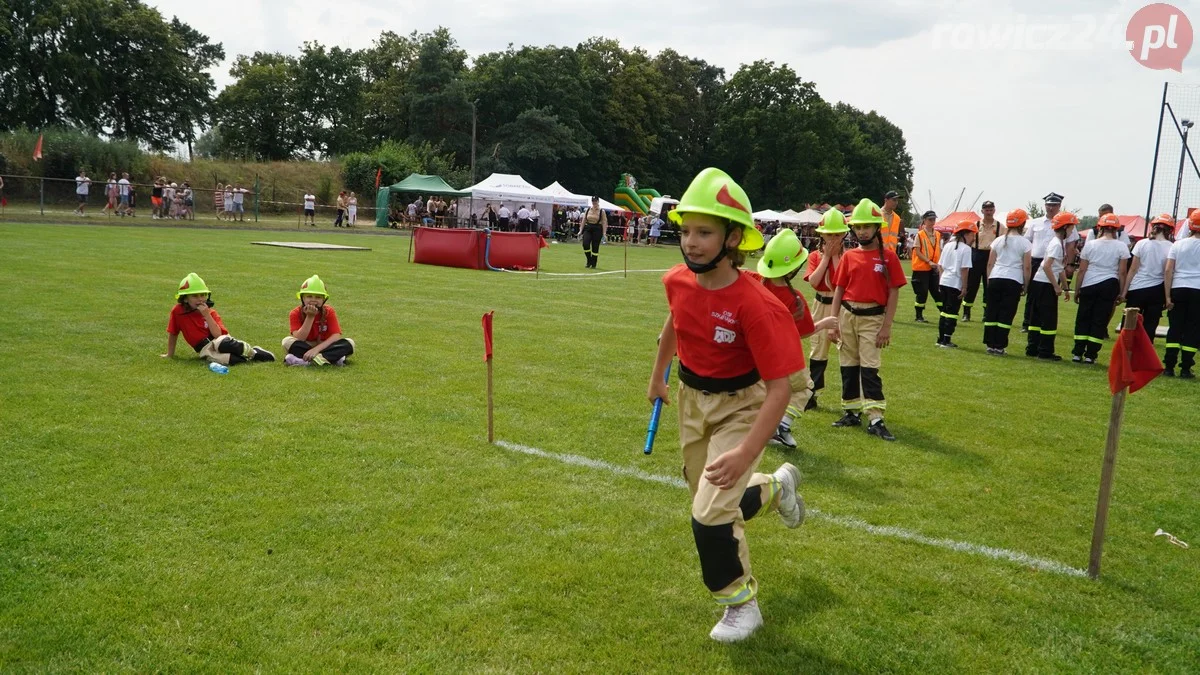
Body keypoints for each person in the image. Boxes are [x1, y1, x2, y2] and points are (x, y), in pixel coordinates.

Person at [647, 167, 806, 643]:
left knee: (710, 513)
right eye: (686, 231)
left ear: (733, 238)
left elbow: (780, 390)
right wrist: (658, 375)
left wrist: (743, 452)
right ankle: (776, 488)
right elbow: (675, 321)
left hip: (743, 406)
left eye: (705, 232)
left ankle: (741, 604)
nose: (691, 243)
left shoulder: (757, 305)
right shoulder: (677, 280)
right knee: (708, 497)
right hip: (692, 401)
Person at [753, 229, 839, 449]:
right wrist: (826, 323)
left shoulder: (754, 282)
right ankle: (780, 426)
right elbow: (804, 332)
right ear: (793, 268)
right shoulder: (795, 300)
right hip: (782, 357)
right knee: (803, 388)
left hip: (754, 353)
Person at [828, 199, 906, 441]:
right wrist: (833, 321)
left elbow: (894, 291)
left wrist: (887, 326)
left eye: (867, 227)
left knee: (870, 367)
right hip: (847, 315)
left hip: (873, 318)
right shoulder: (850, 257)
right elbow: (839, 289)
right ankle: (851, 411)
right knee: (848, 365)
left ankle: (875, 417)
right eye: (858, 227)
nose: (861, 231)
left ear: (876, 228)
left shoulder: (889, 258)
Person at [163, 273, 275, 365]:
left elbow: (218, 335)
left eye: (202, 295)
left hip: (220, 341)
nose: (200, 299)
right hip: (204, 349)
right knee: (233, 361)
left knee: (223, 344)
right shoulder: (177, 311)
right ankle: (247, 357)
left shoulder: (211, 313)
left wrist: (207, 315)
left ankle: (253, 352)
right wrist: (170, 354)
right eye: (195, 296)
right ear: (185, 299)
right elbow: (173, 333)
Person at [1071, 214, 1131, 364]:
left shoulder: (1090, 245)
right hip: (1109, 284)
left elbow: (1082, 270)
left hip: (1089, 283)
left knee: (1083, 318)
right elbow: (1122, 272)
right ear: (1116, 230)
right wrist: (1122, 292)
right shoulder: (1121, 246)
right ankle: (1091, 355)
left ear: (1100, 228)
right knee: (1099, 320)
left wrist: (1078, 289)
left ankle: (1077, 353)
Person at [804, 209, 847, 409]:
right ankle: (811, 394)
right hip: (821, 304)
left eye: (837, 234)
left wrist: (836, 256)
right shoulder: (814, 256)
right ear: (821, 234)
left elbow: (842, 281)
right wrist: (826, 258)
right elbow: (813, 281)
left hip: (843, 306)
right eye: (829, 234)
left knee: (848, 350)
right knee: (818, 350)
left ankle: (851, 400)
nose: (833, 238)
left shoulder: (849, 256)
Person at [1023, 192, 1079, 330]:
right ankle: (1027, 322)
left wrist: (1070, 264)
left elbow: (1071, 245)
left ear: (1059, 206)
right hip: (1036, 260)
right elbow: (1027, 242)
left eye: (1054, 205)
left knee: (1048, 295)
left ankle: (1041, 322)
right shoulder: (1035, 222)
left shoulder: (1067, 224)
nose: (1050, 208)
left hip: (1054, 262)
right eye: (1048, 205)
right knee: (1032, 294)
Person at [1026, 212, 1077, 361]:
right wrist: (1056, 286)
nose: (1072, 231)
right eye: (1072, 227)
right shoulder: (1056, 244)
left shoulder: (1058, 243)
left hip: (1040, 283)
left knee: (1036, 318)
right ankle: (1045, 351)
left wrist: (1066, 287)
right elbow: (1048, 267)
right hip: (1045, 284)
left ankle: (1032, 348)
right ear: (1065, 227)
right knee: (1048, 319)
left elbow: (1059, 268)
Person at [983, 209, 1033, 355]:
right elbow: (1027, 266)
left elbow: (990, 264)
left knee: (992, 311)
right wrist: (1026, 284)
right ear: (1022, 223)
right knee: (1006, 313)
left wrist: (989, 280)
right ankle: (999, 345)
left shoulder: (998, 240)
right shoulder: (1025, 243)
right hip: (1013, 279)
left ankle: (990, 344)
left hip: (995, 277)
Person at [1121, 213, 1175, 344]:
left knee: (1129, 324)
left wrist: (1124, 292)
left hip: (1137, 288)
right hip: (1157, 291)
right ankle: (1144, 354)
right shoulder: (1171, 247)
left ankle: (1125, 352)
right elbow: (1169, 273)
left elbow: (1133, 269)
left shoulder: (1142, 243)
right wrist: (1168, 297)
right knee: (1150, 326)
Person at [283, 275, 356, 367]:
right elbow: (300, 339)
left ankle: (307, 361)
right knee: (287, 341)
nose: (313, 300)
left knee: (350, 343)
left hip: (324, 345)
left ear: (323, 299)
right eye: (309, 296)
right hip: (305, 346)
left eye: (318, 297)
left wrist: (316, 350)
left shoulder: (329, 311)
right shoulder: (295, 313)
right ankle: (331, 358)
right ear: (302, 298)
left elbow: (336, 336)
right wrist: (310, 317)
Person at [1162, 210, 1200, 378]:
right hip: (1198, 290)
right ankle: (1185, 367)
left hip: (1178, 288)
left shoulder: (1178, 244)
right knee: (1193, 328)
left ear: (1190, 225)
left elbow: (1169, 270)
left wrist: (1167, 296)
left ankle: (1169, 366)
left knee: (1175, 327)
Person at [936, 220, 976, 348]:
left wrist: (942, 279)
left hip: (944, 281)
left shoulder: (948, 245)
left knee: (944, 311)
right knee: (952, 312)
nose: (973, 238)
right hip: (955, 283)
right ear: (965, 234)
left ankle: (940, 338)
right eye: (972, 234)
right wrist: (964, 287)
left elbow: (940, 265)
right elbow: (964, 269)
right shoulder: (966, 249)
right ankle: (946, 340)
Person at [963, 200, 1000, 321]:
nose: (988, 212)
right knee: (971, 285)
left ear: (994, 210)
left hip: (991, 255)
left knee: (989, 285)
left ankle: (987, 313)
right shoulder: (975, 225)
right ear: (982, 211)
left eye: (991, 209)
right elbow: (967, 240)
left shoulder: (1000, 226)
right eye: (986, 210)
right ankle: (966, 312)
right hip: (976, 254)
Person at [910, 210, 942, 323]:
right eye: (930, 219)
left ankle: (944, 313)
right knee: (922, 292)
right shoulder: (920, 234)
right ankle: (919, 315)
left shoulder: (937, 234)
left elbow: (939, 249)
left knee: (937, 291)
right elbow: (917, 252)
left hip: (934, 268)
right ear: (924, 220)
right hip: (921, 268)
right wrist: (929, 261)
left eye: (934, 219)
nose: (932, 222)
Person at [579, 196, 608, 269]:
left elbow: (604, 222)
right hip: (588, 227)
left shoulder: (602, 211)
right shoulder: (588, 209)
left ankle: (594, 263)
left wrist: (604, 233)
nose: (594, 202)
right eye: (593, 201)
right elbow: (584, 220)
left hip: (597, 228)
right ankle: (589, 260)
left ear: (598, 201)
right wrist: (580, 230)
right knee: (585, 244)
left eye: (595, 201)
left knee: (595, 247)